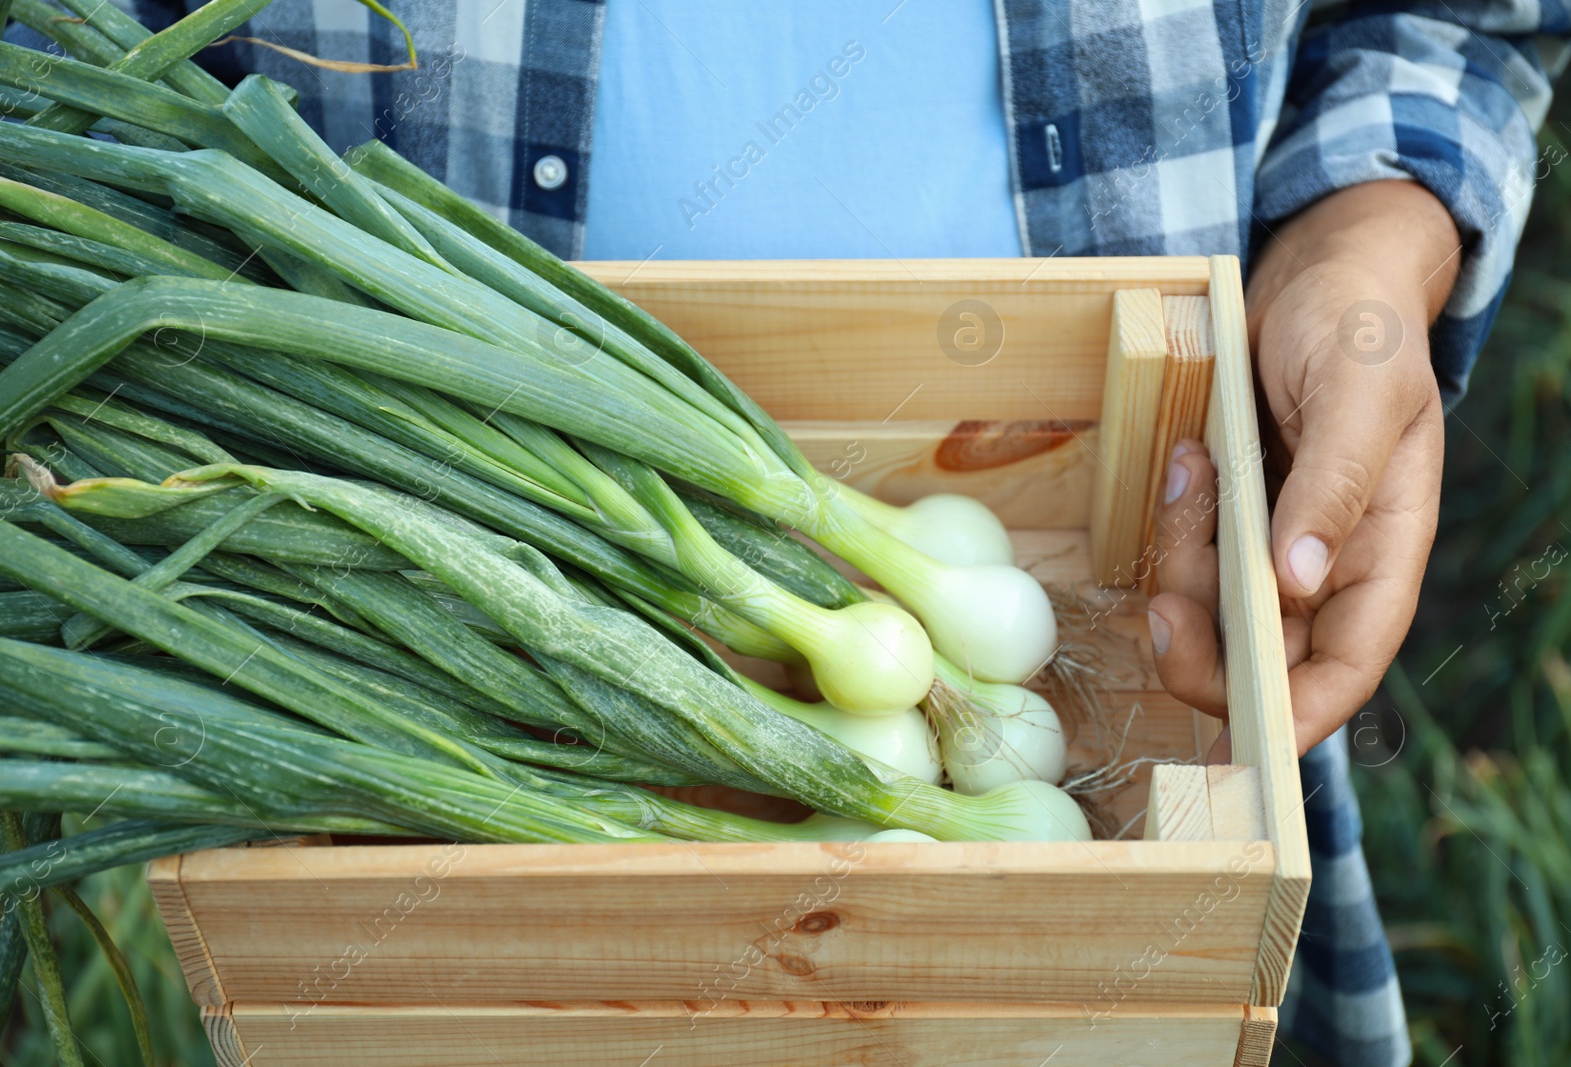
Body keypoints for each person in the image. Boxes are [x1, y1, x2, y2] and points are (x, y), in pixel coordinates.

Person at [107, 1, 1569, 1063]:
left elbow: (1459, 20)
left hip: (1131, 635)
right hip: (433, 785)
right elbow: (64, 73)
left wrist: (1361, 243)